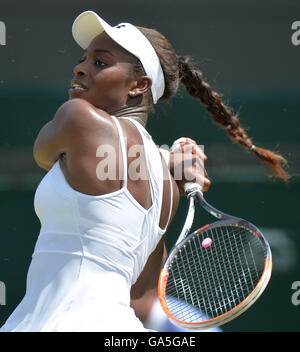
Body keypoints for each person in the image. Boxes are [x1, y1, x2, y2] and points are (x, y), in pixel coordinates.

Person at [0, 10, 288, 332]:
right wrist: (163, 162)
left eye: (100, 62)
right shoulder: (168, 187)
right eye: (83, 59)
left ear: (139, 85)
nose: (79, 67)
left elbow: (43, 153)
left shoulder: (77, 118)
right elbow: (141, 293)